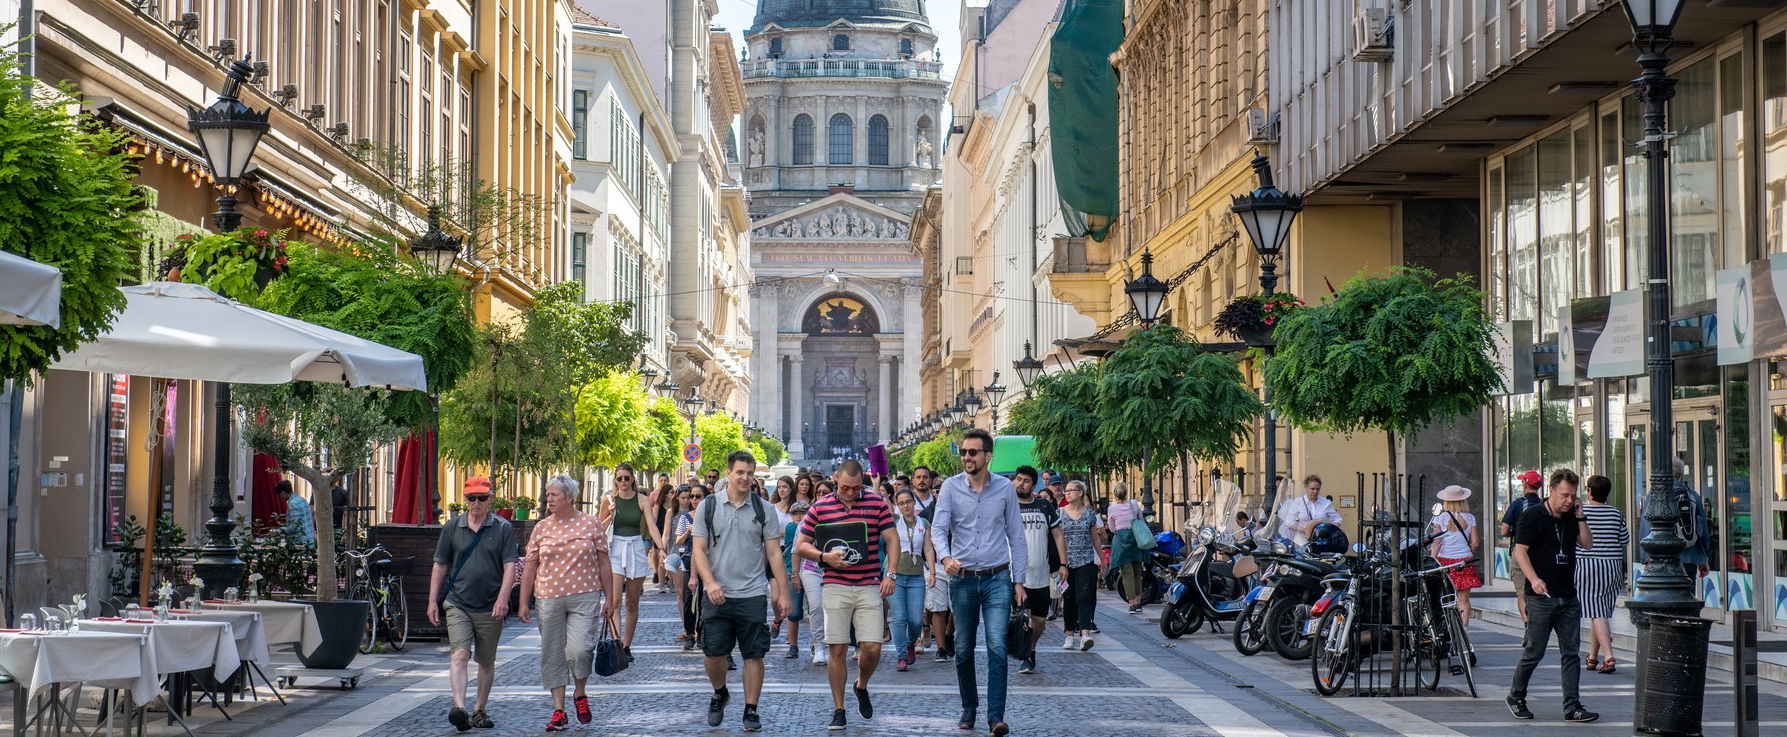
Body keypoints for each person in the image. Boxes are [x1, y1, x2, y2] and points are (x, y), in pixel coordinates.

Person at [933, 428, 1027, 736]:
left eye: (972, 452)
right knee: (963, 647)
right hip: (962, 578)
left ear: (988, 456)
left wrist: (1019, 580)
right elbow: (938, 529)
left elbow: (1016, 534)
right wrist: (945, 558)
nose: (966, 457)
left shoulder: (1004, 489)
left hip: (997, 576)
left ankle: (995, 715)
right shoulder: (950, 487)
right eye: (963, 452)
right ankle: (969, 707)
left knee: (998, 646)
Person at [691, 451, 791, 732]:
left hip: (752, 592)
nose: (745, 478)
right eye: (740, 473)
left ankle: (751, 709)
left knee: (754, 654)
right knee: (713, 653)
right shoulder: (708, 506)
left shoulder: (764, 509)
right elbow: (698, 549)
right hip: (716, 592)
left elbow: (773, 554)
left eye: (749, 473)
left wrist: (782, 592)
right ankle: (720, 692)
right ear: (729, 473)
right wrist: (709, 583)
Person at [795, 459, 897, 730]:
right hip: (835, 585)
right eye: (844, 487)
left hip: (868, 584)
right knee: (837, 649)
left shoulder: (875, 503)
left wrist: (891, 573)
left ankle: (861, 684)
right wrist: (824, 556)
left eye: (855, 488)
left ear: (862, 482)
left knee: (873, 647)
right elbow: (801, 543)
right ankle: (838, 709)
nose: (850, 493)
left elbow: (893, 539)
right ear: (836, 479)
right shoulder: (821, 506)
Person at [517, 476, 613, 732]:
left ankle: (580, 694)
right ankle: (558, 710)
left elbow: (604, 562)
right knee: (553, 654)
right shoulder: (541, 527)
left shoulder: (591, 524)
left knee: (580, 650)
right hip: (548, 597)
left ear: (570, 497)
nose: (549, 499)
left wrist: (611, 598)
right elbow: (530, 565)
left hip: (585, 595)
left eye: (555, 494)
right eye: (548, 494)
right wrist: (524, 601)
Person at [428, 476, 519, 732]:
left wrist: (503, 599)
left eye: (481, 498)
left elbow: (510, 565)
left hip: (490, 605)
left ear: (491, 498)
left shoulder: (502, 528)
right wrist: (432, 600)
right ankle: (460, 708)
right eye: (471, 498)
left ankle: (479, 709)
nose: (476, 503)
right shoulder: (452, 527)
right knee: (459, 654)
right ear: (465, 498)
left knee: (486, 661)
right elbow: (440, 564)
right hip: (458, 602)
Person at [1507, 468, 1598, 724]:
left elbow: (1587, 544)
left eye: (1573, 496)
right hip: (1541, 597)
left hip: (1568, 595)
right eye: (1565, 495)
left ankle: (1572, 706)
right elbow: (1520, 552)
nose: (1569, 501)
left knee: (1571, 653)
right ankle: (1516, 696)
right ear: (1551, 491)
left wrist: (1581, 517)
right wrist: (1534, 579)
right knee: (1534, 651)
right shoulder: (1532, 516)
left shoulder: (1572, 516)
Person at [597, 463, 662, 660]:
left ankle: (627, 645)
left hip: (635, 547)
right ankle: (616, 644)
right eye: (619, 478)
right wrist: (610, 513)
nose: (623, 482)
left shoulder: (642, 500)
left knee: (632, 602)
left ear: (633, 479)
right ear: (615, 480)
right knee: (615, 600)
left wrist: (662, 547)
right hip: (615, 547)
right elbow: (599, 527)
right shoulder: (608, 499)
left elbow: (651, 526)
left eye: (626, 478)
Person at [1011, 465, 1065, 674]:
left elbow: (1058, 534)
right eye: (1018, 479)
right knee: (1023, 617)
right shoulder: (1008, 506)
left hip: (1040, 574)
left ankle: (1030, 648)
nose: (1020, 483)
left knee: (1040, 621)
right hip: (1015, 575)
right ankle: (1025, 654)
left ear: (1033, 485)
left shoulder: (1044, 506)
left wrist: (1063, 564)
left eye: (1025, 480)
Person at [1575, 474, 1628, 674]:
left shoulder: (1581, 512)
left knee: (1596, 612)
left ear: (1589, 491)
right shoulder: (1616, 513)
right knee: (1600, 611)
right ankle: (1592, 657)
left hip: (1587, 565)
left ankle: (1608, 656)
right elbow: (1624, 540)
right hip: (1612, 566)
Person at [886, 488, 934, 671]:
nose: (905, 506)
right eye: (901, 503)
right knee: (899, 618)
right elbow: (880, 508)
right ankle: (901, 656)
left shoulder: (924, 523)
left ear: (914, 503)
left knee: (915, 620)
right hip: (895, 574)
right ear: (897, 505)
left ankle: (910, 643)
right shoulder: (893, 521)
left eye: (908, 502)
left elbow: (928, 548)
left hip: (916, 576)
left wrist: (933, 572)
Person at [910, 465, 952, 659]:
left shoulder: (959, 509)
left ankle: (948, 635)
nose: (941, 492)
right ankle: (941, 648)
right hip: (935, 565)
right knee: (937, 607)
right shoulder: (926, 514)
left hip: (959, 564)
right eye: (938, 489)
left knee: (957, 610)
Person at [1058, 480, 1105, 649]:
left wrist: (1102, 559)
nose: (1068, 493)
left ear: (1080, 493)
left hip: (1086, 561)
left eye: (1072, 490)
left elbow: (1095, 538)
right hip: (1066, 563)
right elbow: (1056, 538)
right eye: (1066, 490)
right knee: (1069, 598)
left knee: (1084, 597)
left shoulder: (1089, 514)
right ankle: (1069, 635)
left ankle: (1085, 634)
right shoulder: (1059, 513)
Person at [1427, 485, 1481, 626]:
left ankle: (1449, 628)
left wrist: (1432, 559)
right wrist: (1466, 550)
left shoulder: (1440, 517)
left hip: (1445, 561)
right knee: (1464, 600)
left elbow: (1437, 541)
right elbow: (1475, 542)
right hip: (1465, 561)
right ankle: (1464, 630)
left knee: (1446, 598)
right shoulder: (1470, 518)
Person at [1501, 470, 1546, 622]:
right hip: (1541, 554)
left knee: (1522, 593)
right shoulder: (1544, 505)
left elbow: (1504, 530)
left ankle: (1528, 625)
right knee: (1540, 590)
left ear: (1525, 484)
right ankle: (1539, 623)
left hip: (1520, 553)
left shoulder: (1517, 505)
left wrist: (1518, 532)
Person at [1105, 481, 1148, 613]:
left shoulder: (1111, 508)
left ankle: (1132, 604)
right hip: (1136, 540)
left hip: (1122, 542)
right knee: (1137, 571)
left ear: (1115, 494)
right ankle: (1139, 602)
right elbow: (1141, 520)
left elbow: (1112, 529)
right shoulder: (1134, 504)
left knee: (1126, 572)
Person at [780, 501, 814, 659]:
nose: (799, 516)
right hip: (792, 571)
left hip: (810, 570)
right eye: (795, 513)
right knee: (794, 612)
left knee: (814, 609)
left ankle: (815, 642)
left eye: (803, 512)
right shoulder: (791, 527)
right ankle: (793, 645)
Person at [1274, 474, 1342, 548]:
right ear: (1306, 488)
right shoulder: (1298, 502)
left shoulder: (1326, 503)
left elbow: (1337, 519)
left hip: (1321, 542)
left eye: (1317, 489)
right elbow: (1289, 522)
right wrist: (1304, 530)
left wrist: (1328, 529)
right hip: (1301, 542)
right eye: (1312, 489)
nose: (1315, 492)